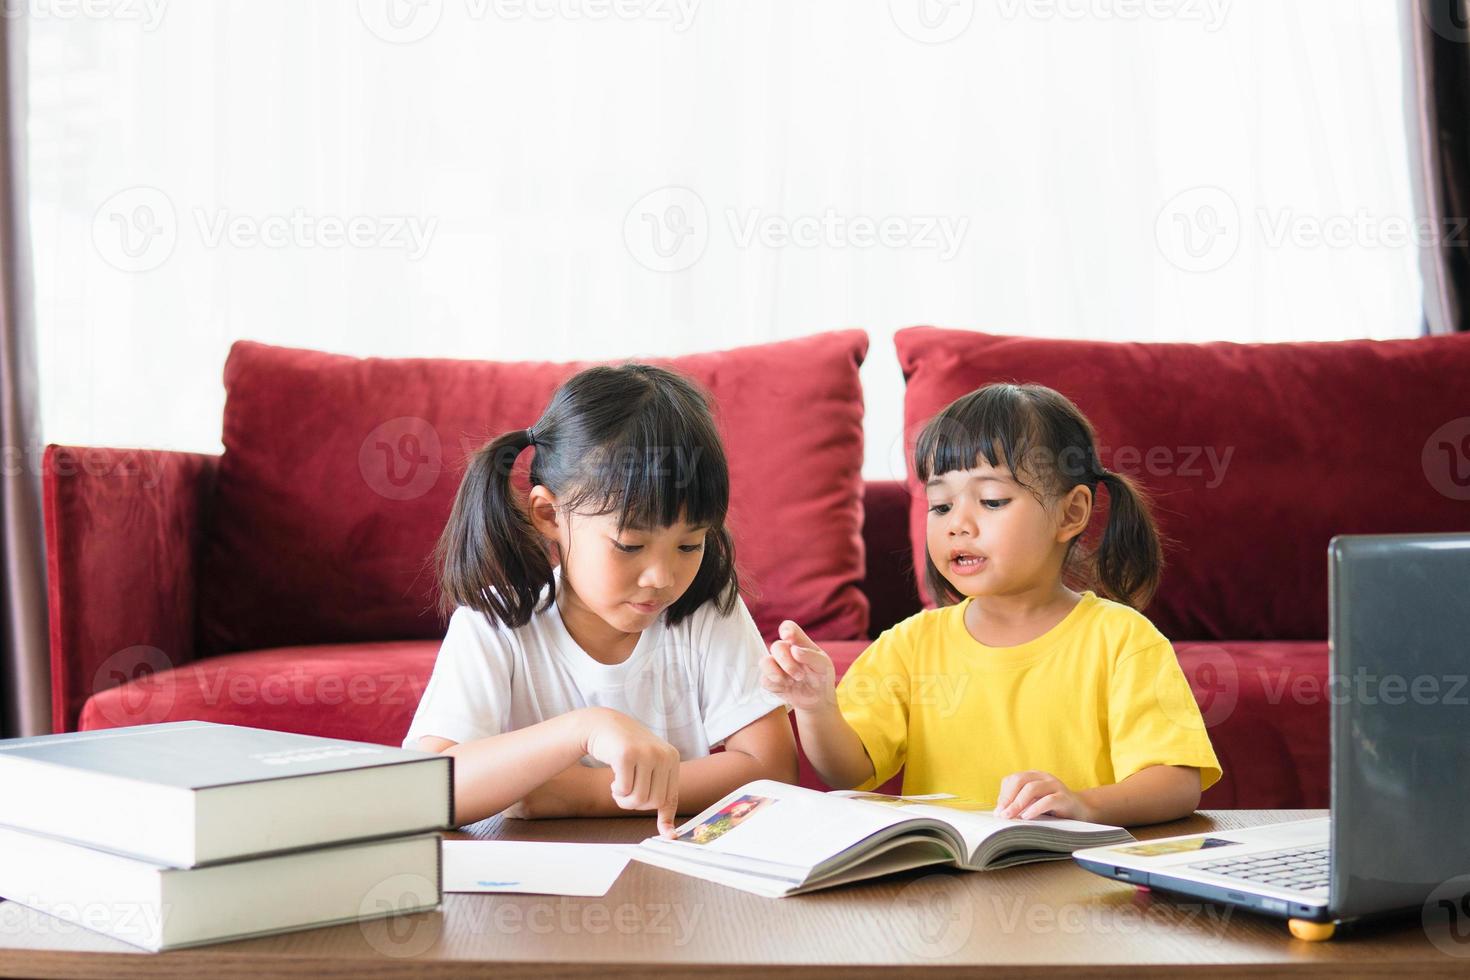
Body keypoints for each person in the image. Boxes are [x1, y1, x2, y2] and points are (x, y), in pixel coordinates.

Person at [762, 382, 1220, 826]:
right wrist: (816, 706)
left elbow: (1176, 782)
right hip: (950, 886)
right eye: (940, 506)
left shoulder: (1122, 640)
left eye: (992, 500)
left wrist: (1084, 804)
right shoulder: (911, 643)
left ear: (1071, 513)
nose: (958, 524)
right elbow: (848, 772)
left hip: (1077, 881)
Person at [403, 363, 795, 836]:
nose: (662, 577)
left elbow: (772, 771)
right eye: (630, 545)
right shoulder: (496, 620)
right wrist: (582, 730)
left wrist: (581, 794)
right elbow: (425, 791)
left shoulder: (703, 608)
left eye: (690, 545)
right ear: (549, 515)